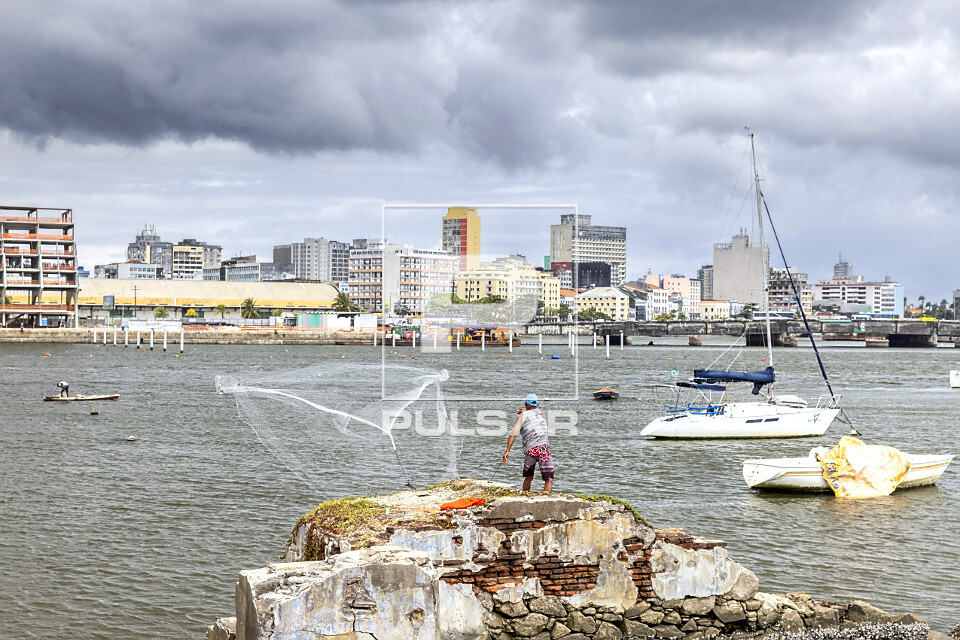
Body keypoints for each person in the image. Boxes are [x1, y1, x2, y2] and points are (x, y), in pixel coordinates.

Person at [502, 393, 554, 493]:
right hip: (544, 448)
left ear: (525, 403)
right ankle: (546, 498)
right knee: (549, 478)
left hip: (531, 450)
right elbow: (535, 413)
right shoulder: (542, 414)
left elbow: (513, 434)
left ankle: (525, 496)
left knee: (528, 477)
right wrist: (525, 411)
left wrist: (507, 451)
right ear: (537, 404)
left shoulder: (521, 417)